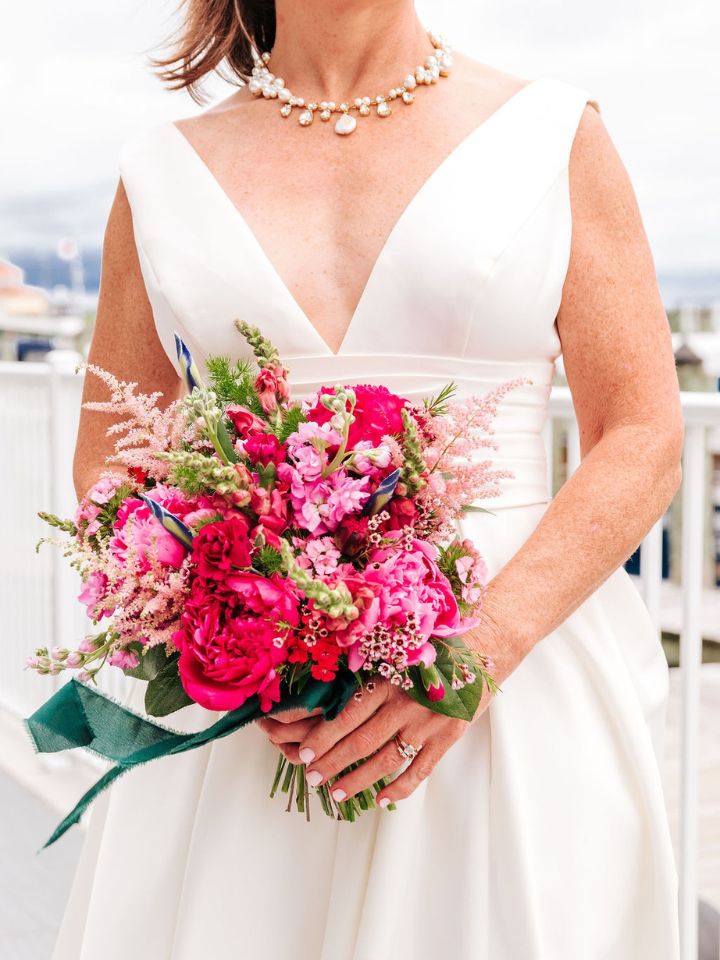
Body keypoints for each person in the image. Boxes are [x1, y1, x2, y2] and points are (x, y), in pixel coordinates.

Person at [57, 2, 683, 957]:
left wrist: (479, 654)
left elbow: (640, 431)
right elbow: (112, 453)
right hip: (252, 723)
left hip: (509, 699)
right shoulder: (161, 172)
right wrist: (228, 632)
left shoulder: (556, 134)